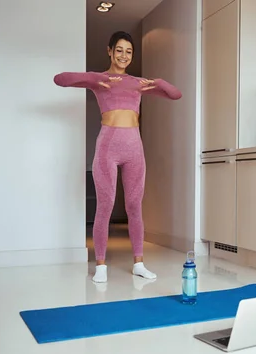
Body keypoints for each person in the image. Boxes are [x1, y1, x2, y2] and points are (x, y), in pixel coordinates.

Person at [53, 31, 182, 283]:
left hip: (135, 147)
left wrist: (157, 81)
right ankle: (100, 265)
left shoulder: (137, 82)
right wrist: (92, 78)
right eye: (119, 50)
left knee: (135, 206)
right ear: (110, 51)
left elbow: (175, 94)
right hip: (107, 147)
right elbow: (60, 79)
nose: (124, 56)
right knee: (106, 205)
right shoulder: (100, 79)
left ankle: (139, 263)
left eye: (129, 52)